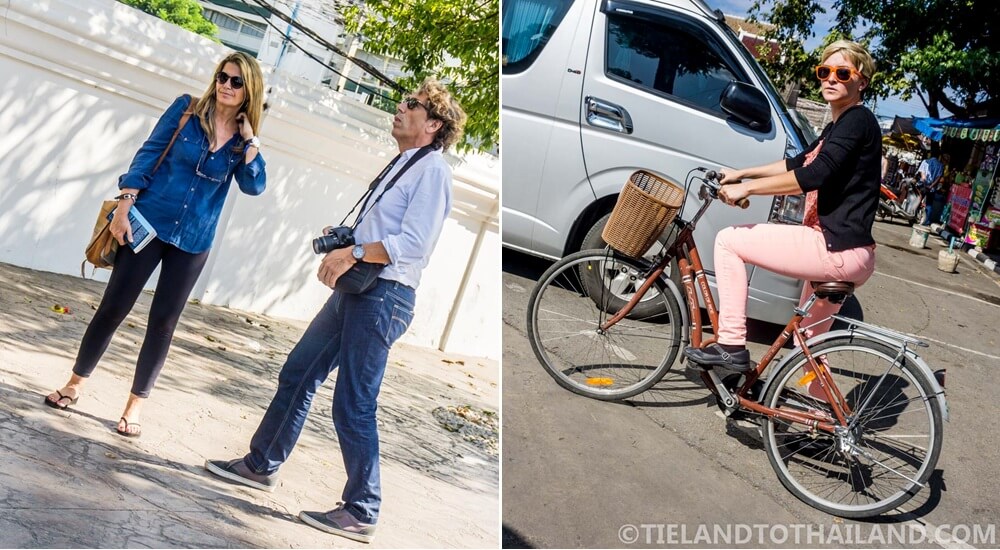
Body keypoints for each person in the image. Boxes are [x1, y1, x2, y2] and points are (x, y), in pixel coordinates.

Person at [204, 78, 466, 544]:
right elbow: (385, 229)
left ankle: (363, 508)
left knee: (354, 402)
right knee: (299, 371)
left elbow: (414, 245)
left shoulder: (433, 172)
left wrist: (356, 253)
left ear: (433, 125)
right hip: (359, 290)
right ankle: (261, 465)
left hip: (384, 297)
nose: (401, 106)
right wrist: (348, 238)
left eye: (413, 104)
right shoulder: (404, 163)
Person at [43, 52, 267, 437]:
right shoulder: (187, 110)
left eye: (236, 81)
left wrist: (250, 141)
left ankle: (135, 406)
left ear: (249, 90)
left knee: (163, 322)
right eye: (222, 77)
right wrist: (124, 205)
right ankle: (74, 384)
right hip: (147, 224)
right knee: (114, 306)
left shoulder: (242, 145)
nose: (226, 86)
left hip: (193, 240)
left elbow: (254, 185)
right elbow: (148, 154)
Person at [685, 40, 880, 371]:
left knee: (729, 241)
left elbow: (815, 174)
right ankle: (819, 403)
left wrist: (748, 188)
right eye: (825, 72)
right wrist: (741, 174)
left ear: (861, 82)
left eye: (843, 73)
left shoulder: (857, 120)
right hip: (850, 252)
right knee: (808, 346)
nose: (831, 79)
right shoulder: (839, 124)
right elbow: (798, 162)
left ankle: (730, 344)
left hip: (834, 247)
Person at [918, 152, 950, 224]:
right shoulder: (941, 166)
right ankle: (926, 221)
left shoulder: (927, 161)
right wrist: (931, 186)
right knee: (929, 204)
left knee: (919, 200)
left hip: (923, 185)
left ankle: (915, 215)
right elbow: (938, 178)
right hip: (931, 188)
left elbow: (922, 172)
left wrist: (924, 181)